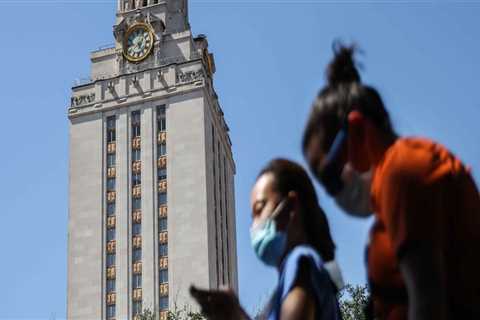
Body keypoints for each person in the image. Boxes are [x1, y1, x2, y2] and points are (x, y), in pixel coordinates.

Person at [302, 43, 480, 320]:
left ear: (357, 131)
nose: (333, 192)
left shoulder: (403, 169)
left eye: (329, 176)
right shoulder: (392, 197)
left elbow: (428, 302)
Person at [191, 158, 344, 320]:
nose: (254, 226)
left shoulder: (300, 262)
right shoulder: (293, 277)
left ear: (291, 205)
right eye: (253, 217)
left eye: (260, 209)